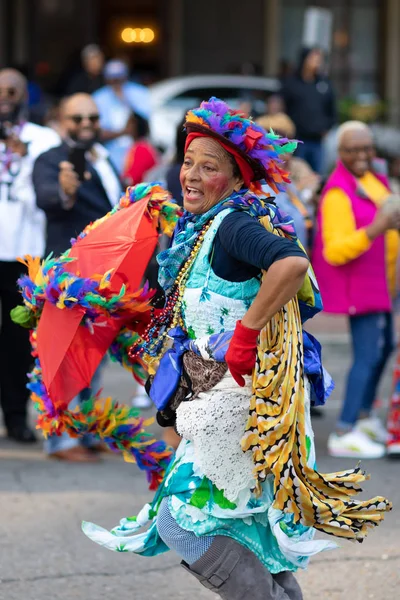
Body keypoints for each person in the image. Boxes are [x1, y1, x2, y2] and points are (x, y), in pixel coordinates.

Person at [82, 100, 391, 599]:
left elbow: (291, 265)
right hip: (220, 401)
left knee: (181, 523)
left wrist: (245, 336)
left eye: (210, 167)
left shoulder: (232, 224)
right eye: (189, 162)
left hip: (238, 404)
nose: (193, 175)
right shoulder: (203, 226)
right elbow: (187, 311)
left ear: (234, 178)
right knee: (247, 527)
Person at [32, 93, 122, 460]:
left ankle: (85, 432)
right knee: (64, 357)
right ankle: (60, 440)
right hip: (68, 275)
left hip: (105, 275)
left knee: (94, 356)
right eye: (77, 118)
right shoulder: (50, 160)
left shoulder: (105, 157)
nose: (86, 124)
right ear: (60, 120)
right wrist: (65, 193)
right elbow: (48, 198)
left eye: (92, 117)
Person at [312, 121, 400, 458]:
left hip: (383, 285)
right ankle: (344, 430)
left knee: (384, 347)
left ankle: (363, 416)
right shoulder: (337, 193)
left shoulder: (371, 179)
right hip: (361, 289)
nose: (362, 155)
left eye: (367, 148)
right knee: (366, 355)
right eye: (354, 149)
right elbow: (334, 250)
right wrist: (377, 228)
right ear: (340, 153)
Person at [0, 68, 60, 442]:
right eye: (0, 91)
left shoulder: (44, 139)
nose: (6, 97)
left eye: (13, 91)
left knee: (19, 343)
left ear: (26, 95)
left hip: (27, 255)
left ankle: (17, 418)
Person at [256, 112, 314, 251]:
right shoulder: (258, 191)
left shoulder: (287, 183)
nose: (286, 155)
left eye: (288, 145)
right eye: (277, 146)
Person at [282, 47, 336, 174]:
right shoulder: (292, 83)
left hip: (318, 141)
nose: (317, 62)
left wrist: (327, 128)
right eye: (313, 58)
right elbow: (283, 108)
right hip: (297, 140)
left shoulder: (324, 84)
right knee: (297, 174)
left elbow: (332, 109)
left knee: (318, 176)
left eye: (319, 59)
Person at [93, 59, 150, 173]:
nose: (116, 82)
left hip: (137, 158)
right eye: (112, 79)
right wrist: (123, 132)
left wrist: (124, 100)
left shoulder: (139, 93)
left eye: (119, 78)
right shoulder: (98, 97)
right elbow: (97, 132)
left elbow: (144, 127)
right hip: (111, 158)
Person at [122, 114, 159, 185]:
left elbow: (132, 179)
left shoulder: (141, 148)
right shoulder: (140, 146)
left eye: (129, 123)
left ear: (135, 126)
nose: (126, 125)